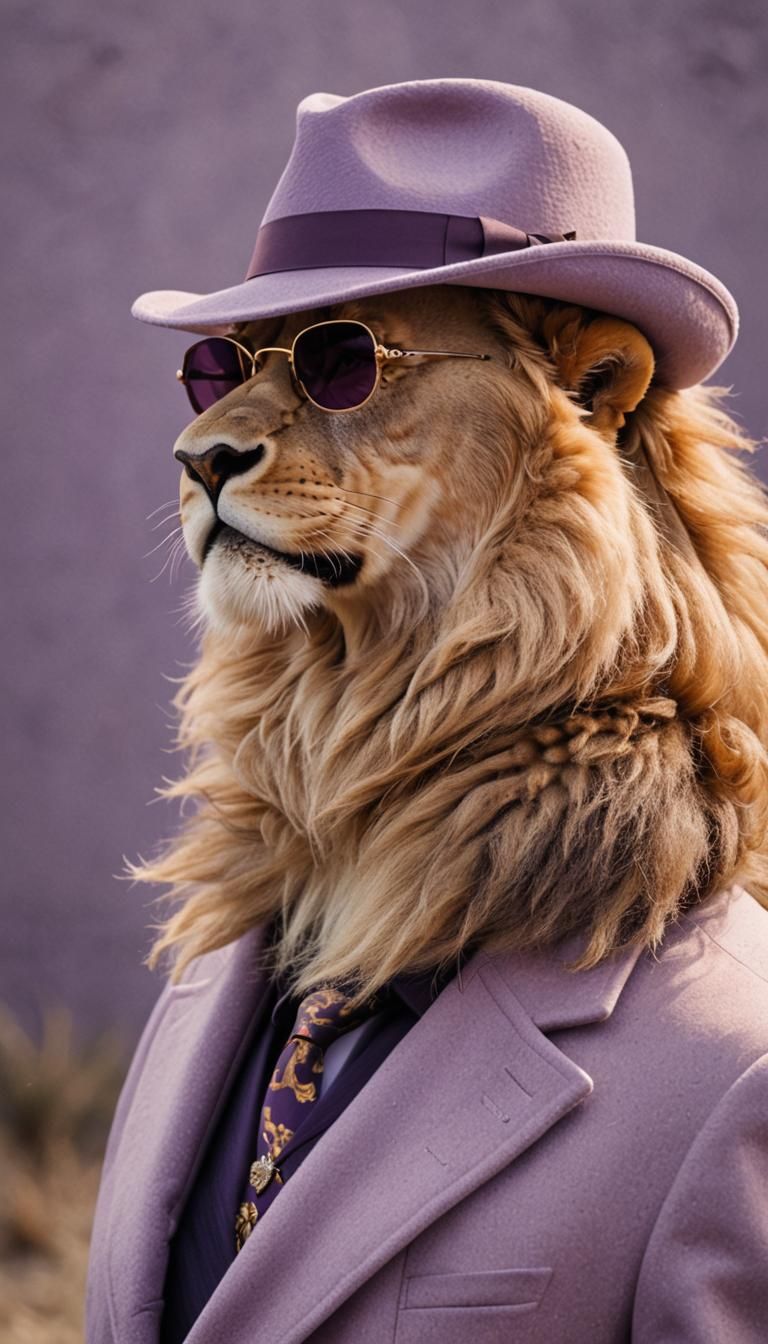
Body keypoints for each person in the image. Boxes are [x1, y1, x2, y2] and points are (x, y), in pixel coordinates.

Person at [86, 79, 768, 1343]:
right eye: (226, 368)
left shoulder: (738, 1060)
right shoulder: (220, 973)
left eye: (345, 364)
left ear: (591, 396)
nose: (222, 435)